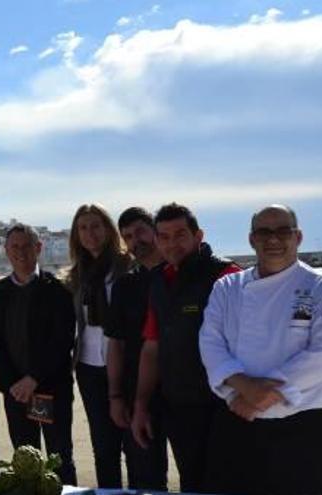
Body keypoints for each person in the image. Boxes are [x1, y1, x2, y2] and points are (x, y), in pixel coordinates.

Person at [199, 205, 322, 495]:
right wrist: (241, 389)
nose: (273, 239)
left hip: (304, 424)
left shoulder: (320, 287)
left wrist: (260, 397)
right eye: (264, 232)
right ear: (251, 239)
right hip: (237, 417)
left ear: (299, 237)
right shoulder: (226, 287)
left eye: (283, 230)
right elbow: (210, 343)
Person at [130, 203, 239, 493]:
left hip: (224, 408)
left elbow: (251, 344)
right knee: (192, 484)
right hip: (179, 406)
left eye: (180, 234)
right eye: (163, 236)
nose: (171, 243)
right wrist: (140, 405)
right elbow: (152, 347)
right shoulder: (159, 281)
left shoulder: (227, 276)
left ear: (198, 235)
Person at [0, 224, 78, 485]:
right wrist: (13, 382)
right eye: (15, 246)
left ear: (38, 248)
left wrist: (33, 378)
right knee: (24, 461)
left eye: (26, 246)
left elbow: (63, 340)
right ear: (6, 250)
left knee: (60, 458)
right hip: (15, 392)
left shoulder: (57, 290)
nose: (21, 252)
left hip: (52, 390)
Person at [65, 204, 131, 489]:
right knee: (103, 446)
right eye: (83, 228)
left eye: (95, 226)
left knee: (134, 443)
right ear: (76, 235)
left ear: (108, 229)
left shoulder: (127, 266)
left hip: (128, 365)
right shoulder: (76, 276)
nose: (89, 233)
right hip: (89, 367)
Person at [104, 207, 168, 490]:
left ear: (155, 230)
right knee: (145, 477)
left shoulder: (180, 275)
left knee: (198, 476)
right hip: (138, 393)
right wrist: (115, 395)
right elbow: (115, 344)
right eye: (127, 236)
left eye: (140, 231)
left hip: (187, 390)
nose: (135, 240)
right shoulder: (125, 286)